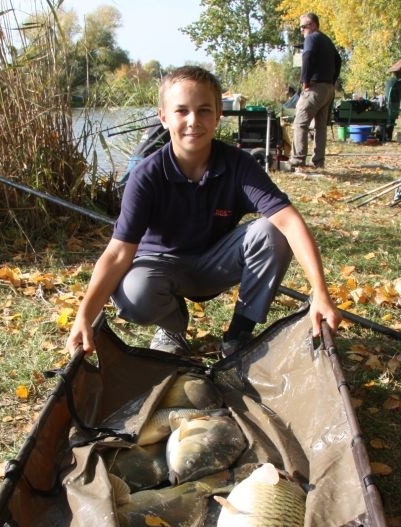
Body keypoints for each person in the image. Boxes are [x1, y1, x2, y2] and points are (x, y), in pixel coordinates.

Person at [65, 66, 342, 359]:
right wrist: (84, 316)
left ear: (219, 114)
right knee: (134, 291)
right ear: (163, 117)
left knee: (272, 231)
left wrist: (320, 292)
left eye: (204, 110)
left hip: (215, 263)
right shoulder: (145, 174)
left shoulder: (239, 164)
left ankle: (239, 333)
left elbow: (290, 221)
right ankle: (171, 328)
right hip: (161, 267)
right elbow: (118, 253)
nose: (193, 121)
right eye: (181, 111)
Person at [289, 13, 342, 170]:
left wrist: (305, 80)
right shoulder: (327, 40)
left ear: (312, 25)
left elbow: (307, 56)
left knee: (300, 122)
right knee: (320, 126)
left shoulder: (311, 38)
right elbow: (338, 60)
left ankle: (298, 160)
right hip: (328, 89)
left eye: (303, 27)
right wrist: (332, 80)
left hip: (315, 87)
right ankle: (318, 162)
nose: (302, 31)